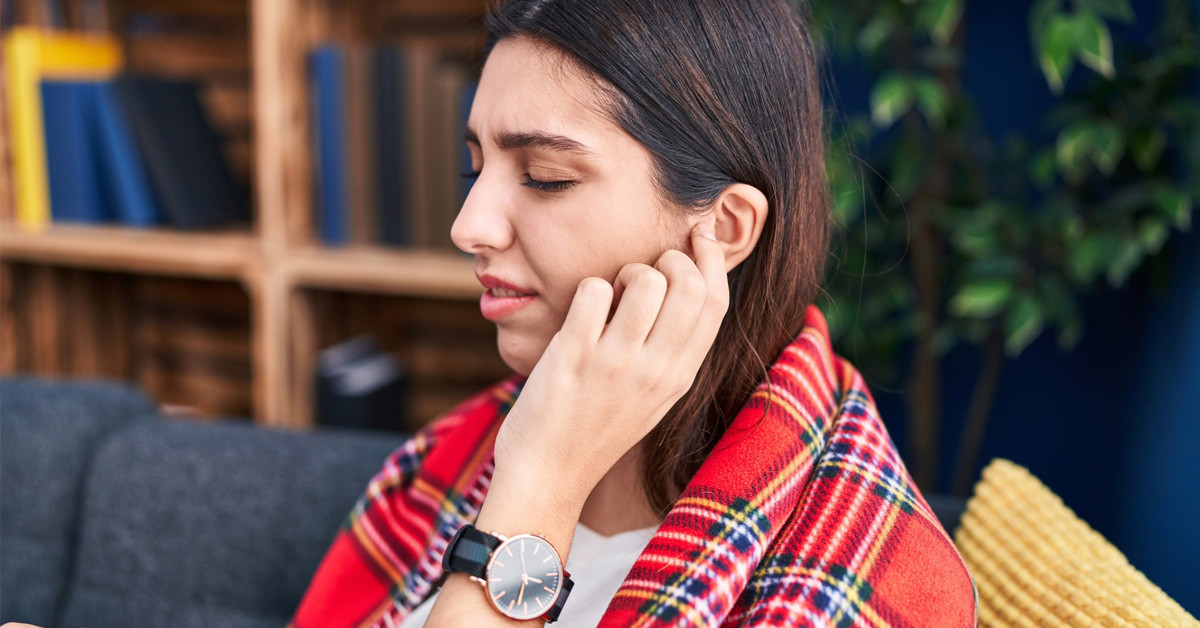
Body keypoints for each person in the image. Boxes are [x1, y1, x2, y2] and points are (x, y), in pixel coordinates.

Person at [291, 0, 977, 626]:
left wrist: (539, 488)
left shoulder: (851, 588)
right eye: (476, 169)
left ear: (726, 227)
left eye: (545, 177)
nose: (469, 227)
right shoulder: (454, 458)